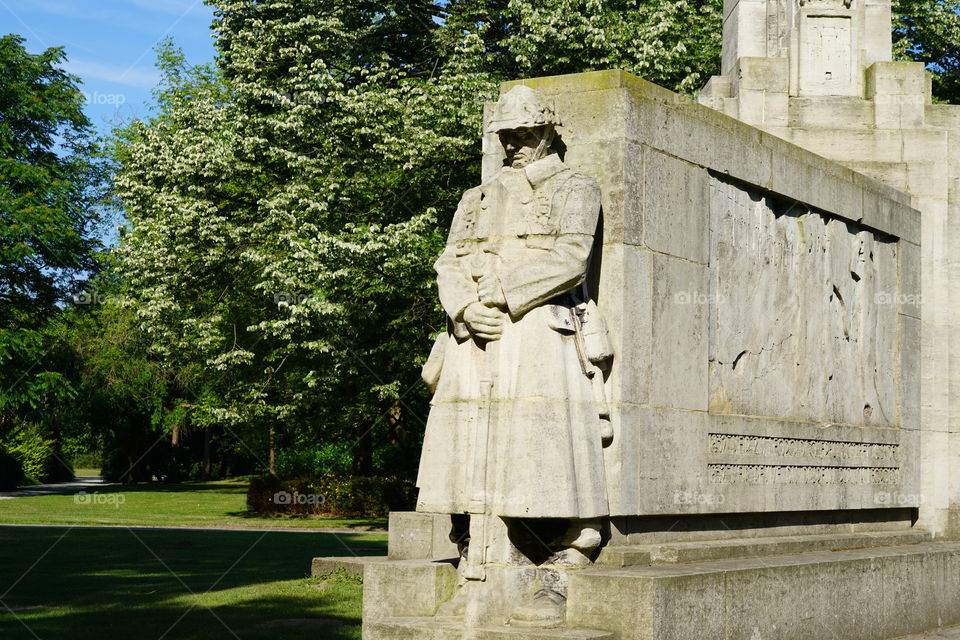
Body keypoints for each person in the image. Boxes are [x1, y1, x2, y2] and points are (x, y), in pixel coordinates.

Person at [417, 84, 611, 627]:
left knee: (542, 450)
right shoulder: (474, 198)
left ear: (548, 132)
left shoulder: (576, 186)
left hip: (538, 327)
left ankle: (567, 554)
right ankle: (474, 561)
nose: (515, 144)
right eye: (507, 135)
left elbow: (571, 258)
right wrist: (461, 310)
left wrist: (499, 292)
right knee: (461, 447)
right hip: (473, 332)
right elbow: (447, 262)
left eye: (525, 133)